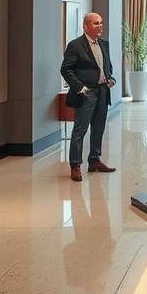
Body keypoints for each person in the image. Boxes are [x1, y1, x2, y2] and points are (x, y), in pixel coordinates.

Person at [60, 12, 116, 182]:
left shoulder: (103, 44)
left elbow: (107, 66)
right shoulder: (75, 45)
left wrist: (110, 78)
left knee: (99, 127)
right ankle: (75, 165)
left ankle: (94, 160)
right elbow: (65, 69)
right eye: (96, 23)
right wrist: (79, 87)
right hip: (86, 93)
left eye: (101, 23)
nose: (100, 26)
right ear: (86, 26)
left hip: (102, 91)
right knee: (80, 129)